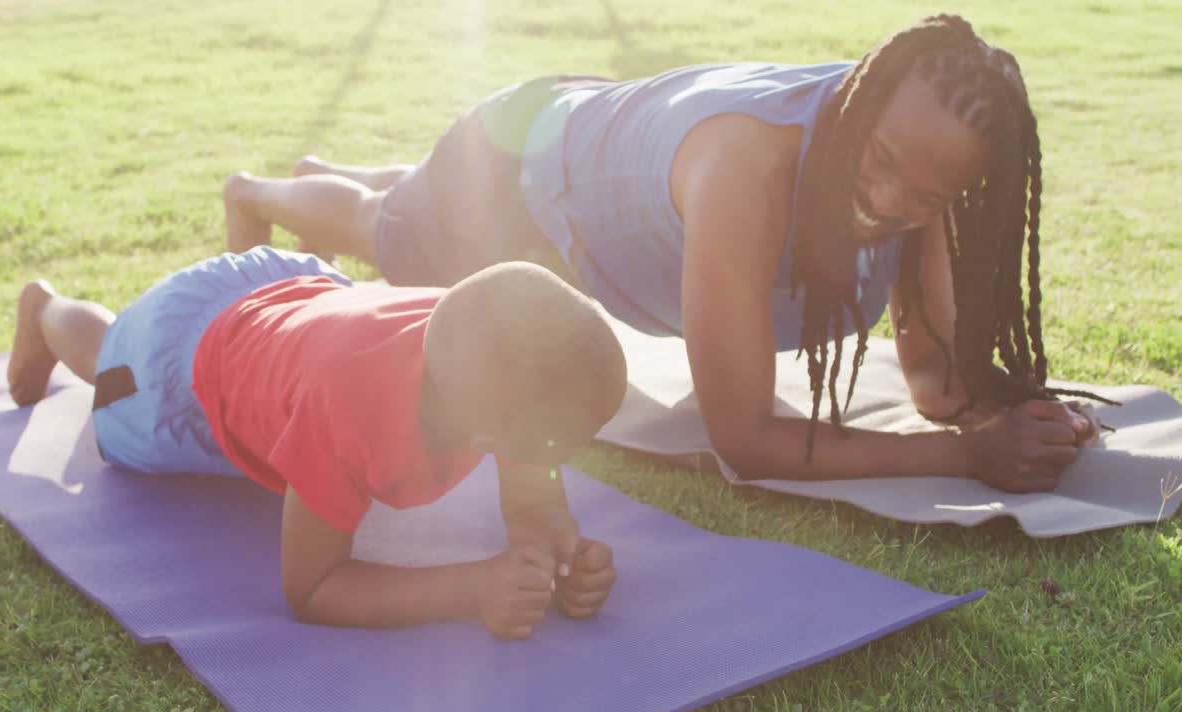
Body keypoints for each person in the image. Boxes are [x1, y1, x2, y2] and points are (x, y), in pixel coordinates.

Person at [222, 14, 1110, 493]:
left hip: (604, 139)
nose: (887, 206)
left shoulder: (921, 181)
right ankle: (265, 191)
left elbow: (937, 383)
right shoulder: (745, 174)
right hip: (520, 164)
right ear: (854, 111)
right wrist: (961, 459)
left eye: (926, 196)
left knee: (406, 198)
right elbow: (743, 438)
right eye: (878, 166)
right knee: (389, 230)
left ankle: (368, 179)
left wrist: (1011, 415)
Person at [6, 247, 628, 640]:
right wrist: (475, 587)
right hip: (184, 359)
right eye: (554, 447)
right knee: (109, 362)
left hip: (297, 297)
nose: (557, 460)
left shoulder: (498, 361)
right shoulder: (346, 410)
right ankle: (46, 309)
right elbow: (313, 589)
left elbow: (533, 503)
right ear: (490, 431)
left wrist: (559, 550)